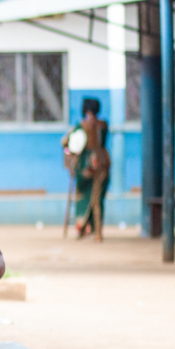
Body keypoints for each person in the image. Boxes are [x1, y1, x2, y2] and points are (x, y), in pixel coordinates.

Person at [63, 98, 110, 241]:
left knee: (91, 197)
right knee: (93, 197)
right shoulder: (102, 126)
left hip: (92, 167)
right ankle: (92, 229)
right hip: (98, 165)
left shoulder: (84, 127)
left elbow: (67, 143)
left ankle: (91, 229)